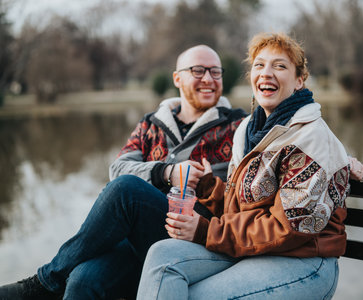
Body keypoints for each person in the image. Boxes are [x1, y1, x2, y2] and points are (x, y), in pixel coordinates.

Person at [0, 45, 247, 300]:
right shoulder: (151, 123)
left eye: (216, 72)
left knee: (126, 190)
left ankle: (44, 283)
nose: (208, 79)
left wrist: (208, 183)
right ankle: (54, 281)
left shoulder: (239, 126)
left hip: (192, 235)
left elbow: (246, 195)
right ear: (177, 78)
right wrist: (167, 171)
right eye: (198, 71)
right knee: (83, 280)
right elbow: (117, 169)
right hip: (136, 237)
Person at [136, 32, 363, 300]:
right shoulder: (249, 129)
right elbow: (242, 208)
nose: (266, 73)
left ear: (299, 81)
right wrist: (209, 188)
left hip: (305, 261)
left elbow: (288, 228)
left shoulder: (311, 137)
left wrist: (205, 230)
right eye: (259, 65)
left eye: (279, 66)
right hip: (255, 249)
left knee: (195, 296)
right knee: (162, 256)